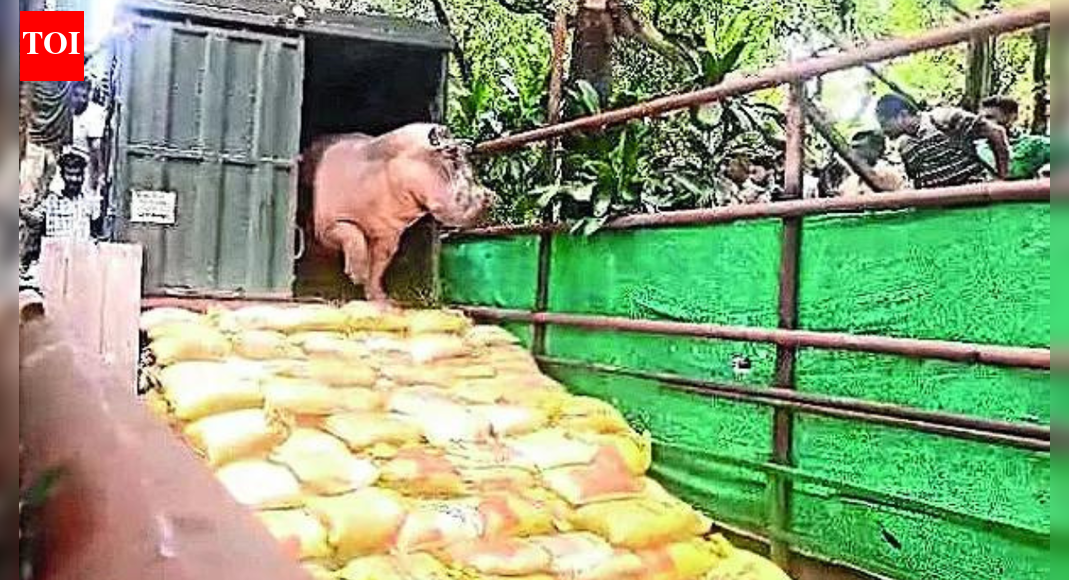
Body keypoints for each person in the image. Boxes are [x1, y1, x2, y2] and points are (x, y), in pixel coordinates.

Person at [875, 94, 1009, 188]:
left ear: (902, 115)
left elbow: (997, 133)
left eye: (884, 123)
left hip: (974, 203)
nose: (883, 130)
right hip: (939, 213)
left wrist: (1002, 178)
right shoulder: (904, 146)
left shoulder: (945, 119)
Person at [978, 95, 1051, 180]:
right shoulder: (974, 145)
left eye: (989, 117)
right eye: (980, 119)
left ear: (1012, 117)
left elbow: (1010, 170)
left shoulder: (1036, 144)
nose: (982, 123)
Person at [38, 153, 96, 241]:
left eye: (78, 175)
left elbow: (97, 232)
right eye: (70, 174)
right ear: (62, 175)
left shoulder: (90, 202)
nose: (74, 179)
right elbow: (34, 220)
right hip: (56, 252)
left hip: (83, 252)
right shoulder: (51, 201)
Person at [838, 130, 908, 196]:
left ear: (878, 148)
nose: (855, 151)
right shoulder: (849, 182)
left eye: (859, 147)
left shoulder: (889, 175)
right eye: (853, 147)